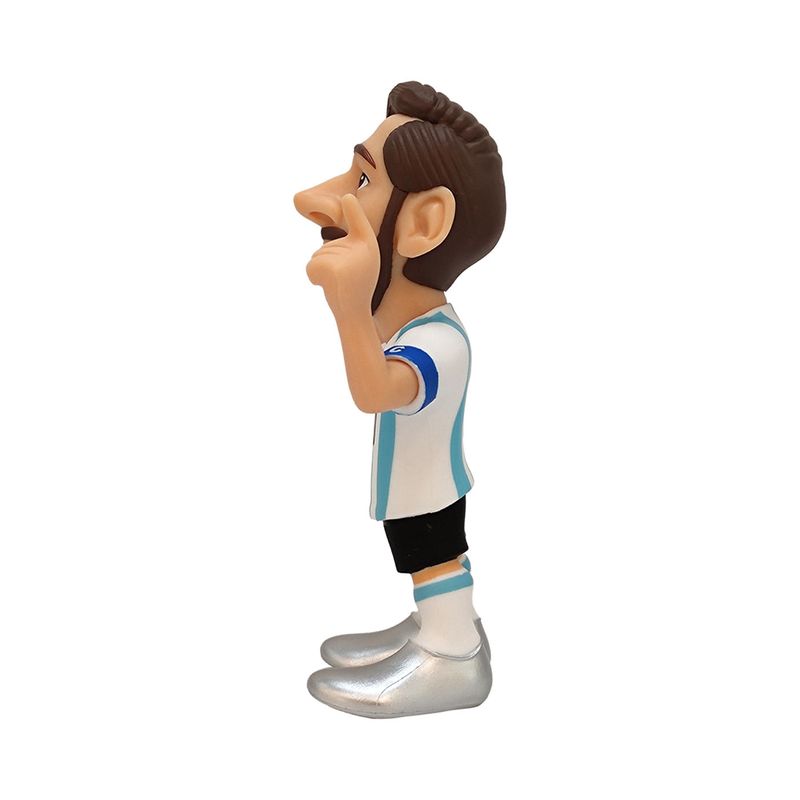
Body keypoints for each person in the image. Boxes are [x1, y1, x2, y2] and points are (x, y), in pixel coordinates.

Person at [293, 81, 506, 717]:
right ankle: (435, 630)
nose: (314, 199)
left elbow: (373, 391)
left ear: (423, 224)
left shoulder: (439, 343)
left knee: (435, 560)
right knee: (429, 559)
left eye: (362, 181)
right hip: (418, 484)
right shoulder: (417, 325)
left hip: (428, 489)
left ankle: (453, 654)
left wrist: (348, 306)